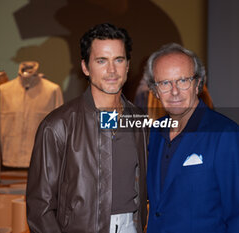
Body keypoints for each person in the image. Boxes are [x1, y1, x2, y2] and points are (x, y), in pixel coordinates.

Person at [26, 23, 148, 233]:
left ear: (128, 66)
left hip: (131, 226)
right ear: (85, 67)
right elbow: (40, 207)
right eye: (101, 61)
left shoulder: (139, 121)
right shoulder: (58, 125)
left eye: (118, 60)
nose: (112, 70)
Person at [144, 43, 239, 233]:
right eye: (165, 83)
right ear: (155, 91)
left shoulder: (227, 135)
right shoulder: (155, 133)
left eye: (183, 81)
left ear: (198, 84)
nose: (174, 91)